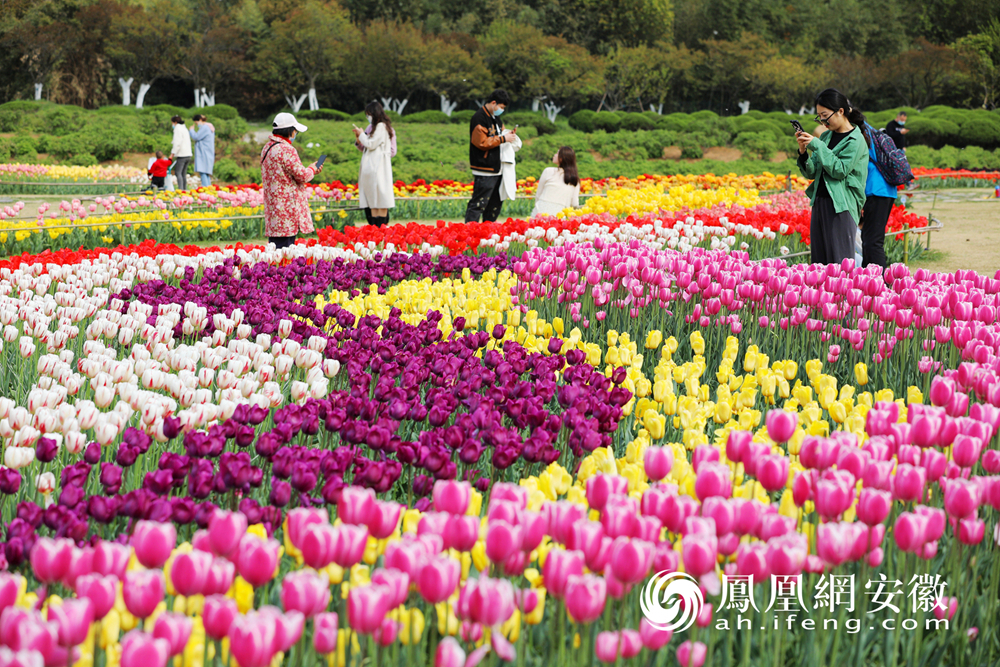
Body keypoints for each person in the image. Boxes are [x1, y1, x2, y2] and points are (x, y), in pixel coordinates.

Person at [795, 89, 869, 266]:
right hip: (820, 201)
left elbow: (839, 170)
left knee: (839, 262)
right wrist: (803, 151)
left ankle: (842, 295)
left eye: (825, 115)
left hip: (841, 206)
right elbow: (812, 172)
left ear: (841, 111)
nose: (822, 121)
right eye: (819, 116)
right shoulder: (827, 136)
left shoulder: (855, 140)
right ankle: (823, 295)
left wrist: (817, 145)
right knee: (819, 262)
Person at [260, 112, 323, 249]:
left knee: (275, 249)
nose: (295, 134)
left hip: (274, 208)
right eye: (295, 131)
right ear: (289, 131)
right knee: (286, 250)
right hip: (287, 208)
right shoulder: (286, 149)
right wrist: (312, 168)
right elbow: (302, 176)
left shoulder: (267, 147)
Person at [465, 89, 515, 223]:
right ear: (494, 103)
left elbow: (500, 134)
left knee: (494, 205)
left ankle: (487, 233)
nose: (501, 110)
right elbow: (481, 142)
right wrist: (504, 138)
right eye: (501, 107)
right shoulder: (479, 117)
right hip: (484, 168)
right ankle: (470, 233)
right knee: (478, 204)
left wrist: (508, 135)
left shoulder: (496, 118)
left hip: (497, 169)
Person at [859, 121, 898, 269]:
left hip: (877, 189)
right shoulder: (871, 131)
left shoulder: (860, 133)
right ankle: (868, 278)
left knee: (873, 241)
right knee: (869, 239)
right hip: (885, 189)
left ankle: (879, 282)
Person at [352, 102, 395, 228]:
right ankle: (375, 230)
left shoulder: (381, 127)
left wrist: (361, 135)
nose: (368, 117)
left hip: (378, 169)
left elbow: (371, 144)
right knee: (374, 202)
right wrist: (360, 138)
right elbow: (367, 145)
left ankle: (380, 228)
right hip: (373, 169)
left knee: (381, 200)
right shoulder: (375, 127)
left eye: (369, 114)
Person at [531, 147, 581, 216]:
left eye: (557, 153)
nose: (554, 155)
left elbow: (538, 195)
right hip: (560, 215)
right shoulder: (574, 179)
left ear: (561, 158)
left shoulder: (548, 171)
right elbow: (575, 204)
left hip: (541, 211)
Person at [189, 114, 216, 187]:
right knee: (206, 173)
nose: (197, 125)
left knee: (203, 172)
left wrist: (191, 130)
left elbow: (196, 137)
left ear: (200, 120)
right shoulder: (210, 127)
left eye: (196, 123)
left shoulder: (205, 127)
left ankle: (205, 189)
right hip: (207, 153)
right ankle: (208, 189)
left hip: (204, 153)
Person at [498, 123, 522, 204]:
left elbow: (517, 146)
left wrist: (510, 136)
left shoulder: (505, 134)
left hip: (504, 168)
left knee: (497, 202)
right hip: (493, 170)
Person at [169, 115, 193, 191]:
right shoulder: (184, 128)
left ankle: (181, 189)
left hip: (182, 155)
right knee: (183, 174)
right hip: (188, 154)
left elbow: (177, 143)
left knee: (178, 173)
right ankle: (184, 189)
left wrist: (172, 154)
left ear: (175, 122)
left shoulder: (178, 129)